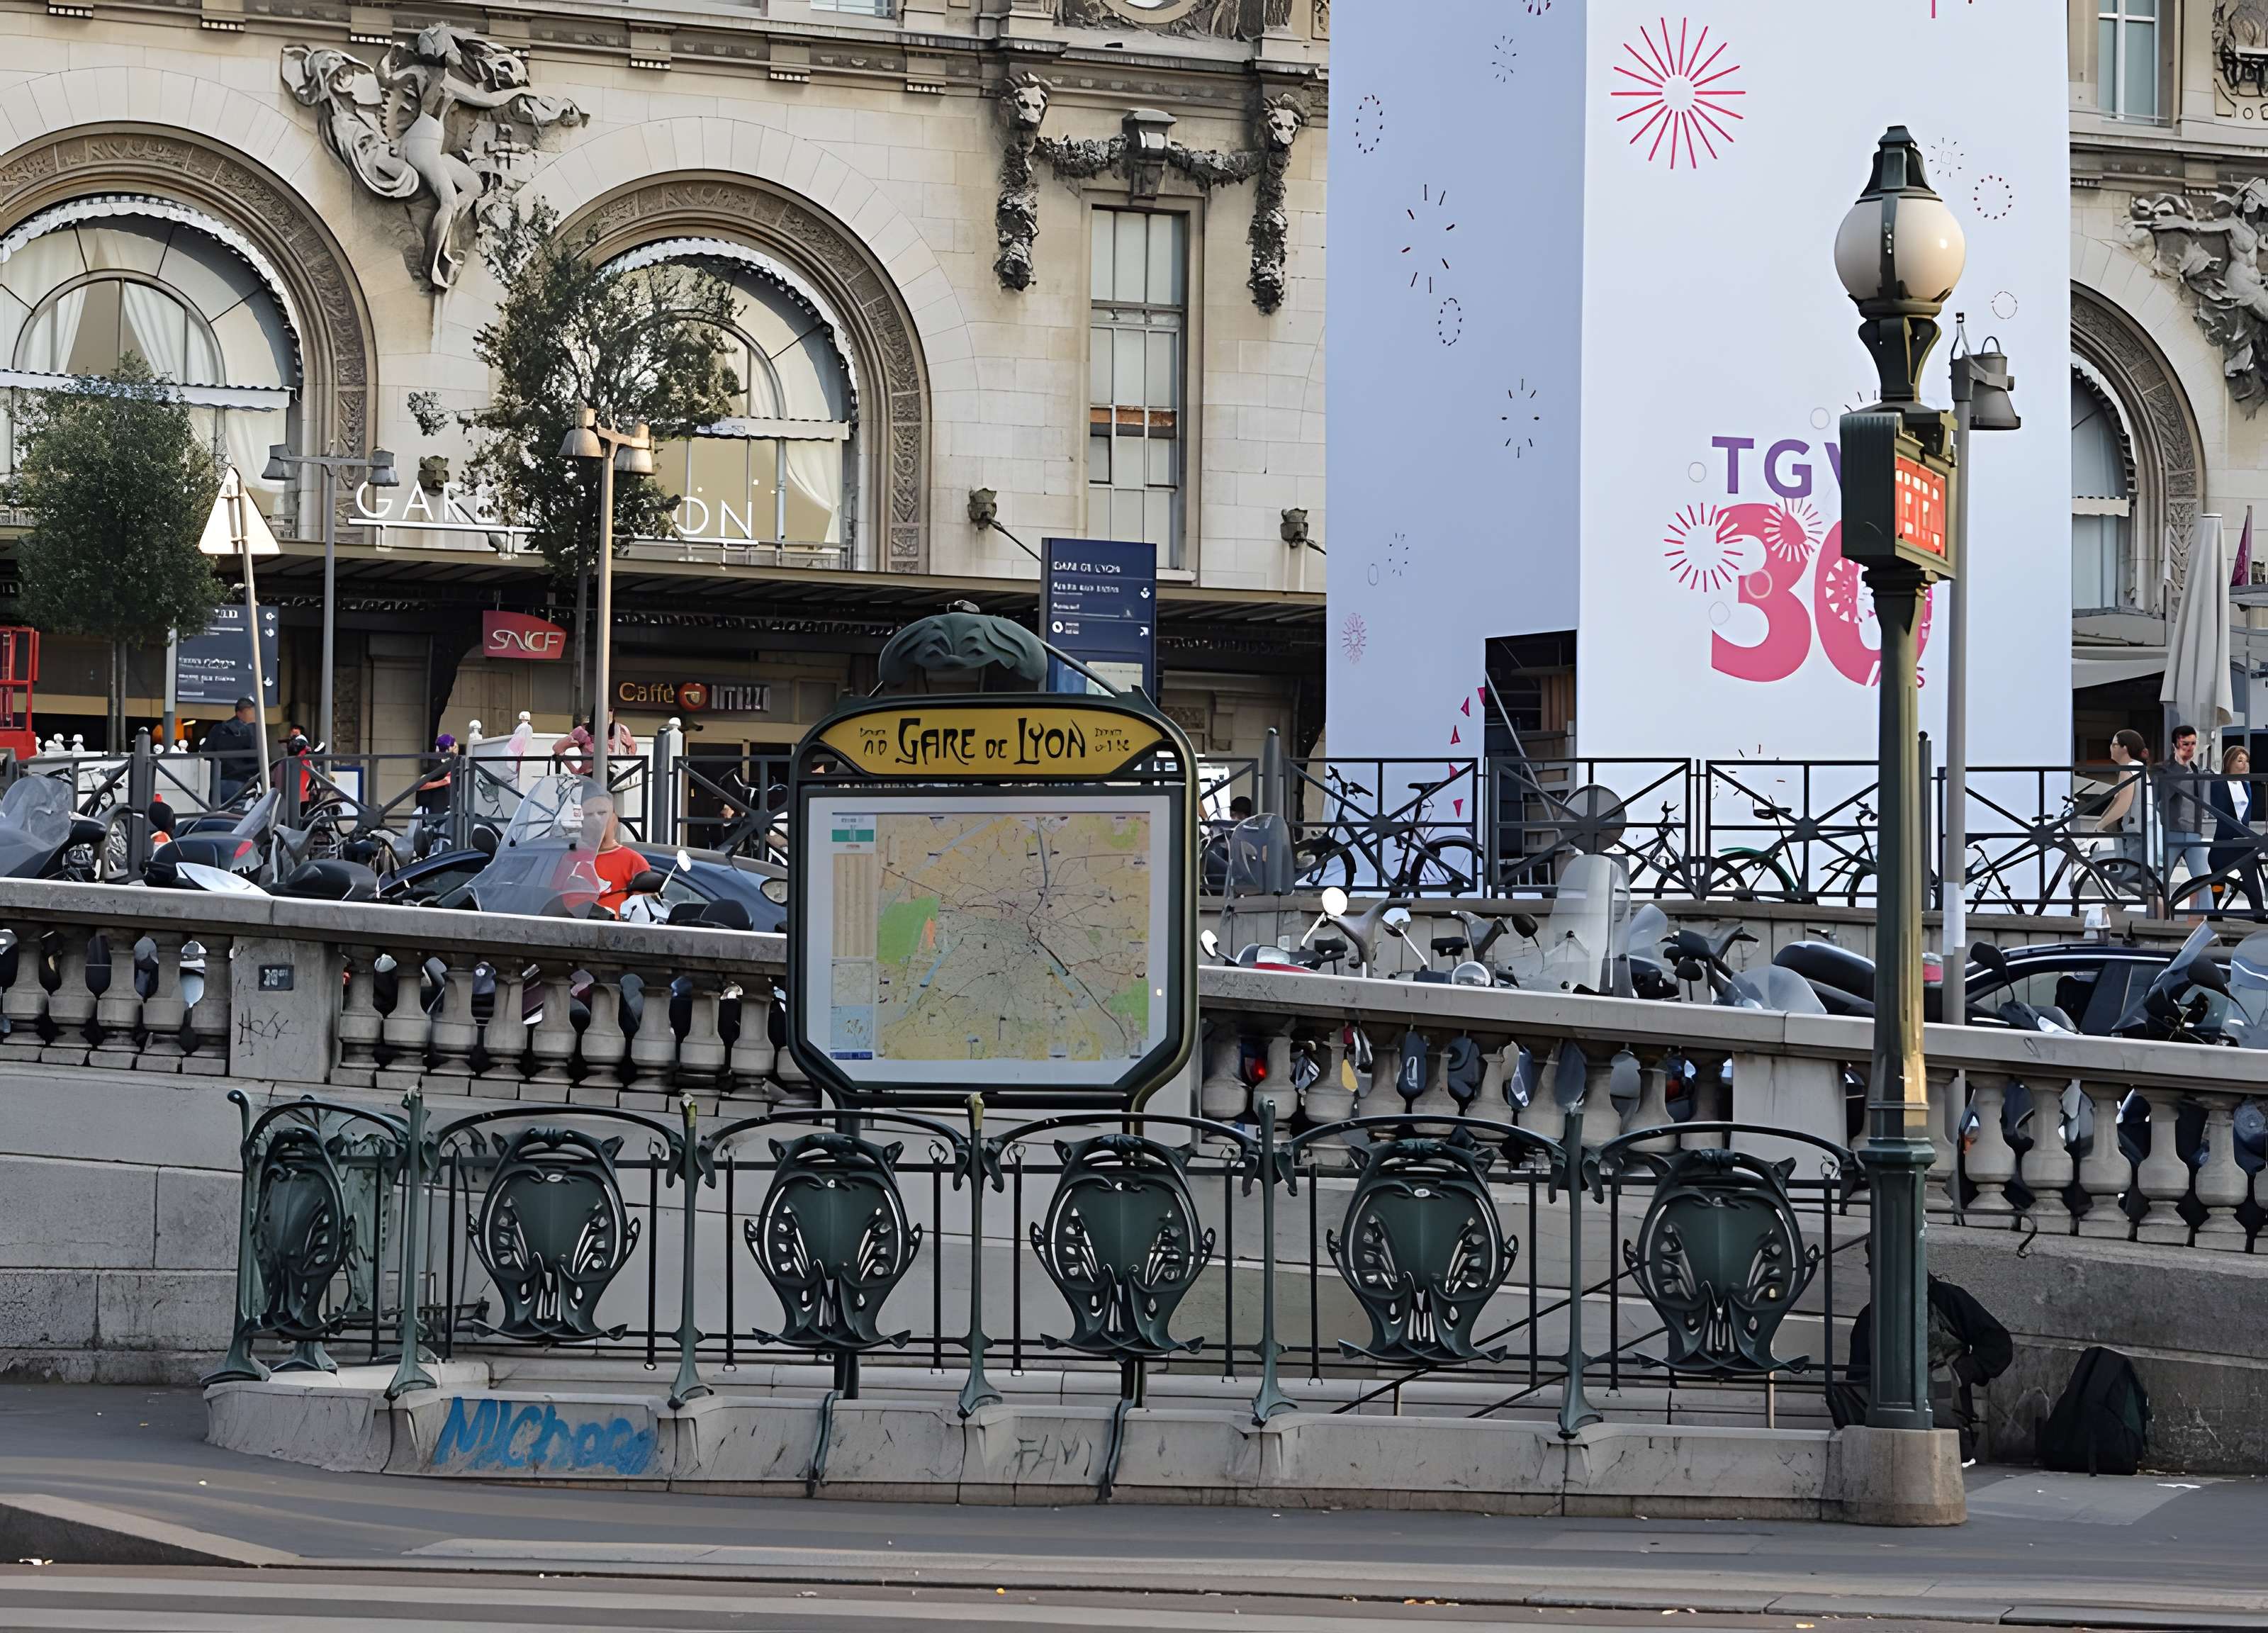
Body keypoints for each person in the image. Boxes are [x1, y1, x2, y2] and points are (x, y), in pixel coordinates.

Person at [1831, 1272, 2014, 1464]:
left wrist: (1959, 1372)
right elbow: (1858, 1379)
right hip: (1890, 1433)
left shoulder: (1947, 1299)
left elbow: (1998, 1344)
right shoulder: (1870, 1317)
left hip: (1947, 1429)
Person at [2208, 742, 2265, 919]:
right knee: (2219, 880)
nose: (2245, 764)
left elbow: (2246, 817)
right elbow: (2221, 812)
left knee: (2251, 869)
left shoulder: (2246, 785)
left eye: (2246, 761)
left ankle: (2258, 913)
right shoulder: (2219, 784)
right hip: (2224, 842)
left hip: (2243, 842)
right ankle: (2214, 912)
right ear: (2229, 763)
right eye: (2240, 760)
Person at [2161, 724, 2212, 916]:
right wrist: (2179, 767)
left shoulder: (2196, 769)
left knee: (2203, 880)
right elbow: (2162, 796)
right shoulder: (2166, 769)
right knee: (2160, 879)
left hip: (2193, 833)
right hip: (2171, 831)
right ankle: (2157, 918)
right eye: (2185, 744)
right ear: (2175, 745)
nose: (2190, 748)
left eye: (2193, 744)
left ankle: (2209, 920)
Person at [2093, 729, 2150, 891]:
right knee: (2140, 882)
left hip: (2136, 832)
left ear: (2125, 748)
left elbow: (2124, 802)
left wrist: (2101, 824)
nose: (2110, 748)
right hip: (2141, 830)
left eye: (2114, 744)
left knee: (2134, 883)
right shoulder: (2138, 767)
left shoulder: (2129, 768)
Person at [582, 790, 647, 914]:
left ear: (614, 819)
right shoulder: (570, 860)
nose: (596, 819)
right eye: (589, 815)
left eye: (602, 813)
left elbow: (644, 914)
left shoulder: (633, 861)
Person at [199, 697, 263, 807]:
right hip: (245, 782)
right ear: (241, 713)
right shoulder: (254, 731)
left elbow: (206, 752)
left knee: (219, 814)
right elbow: (259, 758)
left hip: (219, 781)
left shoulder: (218, 729)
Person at [412, 734, 456, 857]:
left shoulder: (452, 763)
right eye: (454, 746)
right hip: (435, 811)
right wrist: (443, 782)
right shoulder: (435, 764)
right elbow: (420, 784)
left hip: (445, 811)